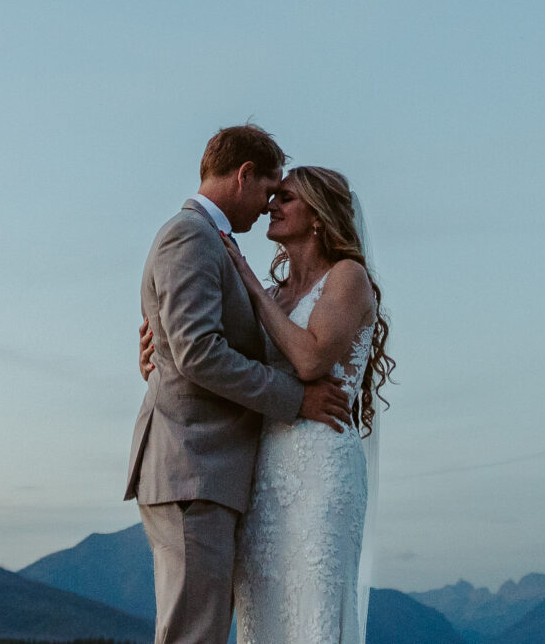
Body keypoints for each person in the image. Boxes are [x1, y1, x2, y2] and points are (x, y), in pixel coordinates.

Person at [140, 163, 394, 644]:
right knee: (264, 610)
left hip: (321, 467)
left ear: (318, 215)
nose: (271, 205)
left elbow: (310, 359)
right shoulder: (276, 294)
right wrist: (156, 353)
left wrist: (252, 287)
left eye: (286, 198)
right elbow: (220, 360)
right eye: (273, 195)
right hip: (261, 473)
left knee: (312, 604)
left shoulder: (348, 277)